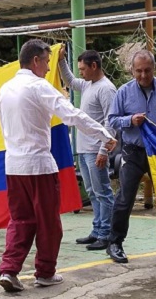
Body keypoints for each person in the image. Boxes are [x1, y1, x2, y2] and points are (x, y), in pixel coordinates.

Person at [0, 40, 117, 293]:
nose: (49, 68)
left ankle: (9, 269)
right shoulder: (39, 87)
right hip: (39, 165)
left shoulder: (4, 89)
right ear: (36, 61)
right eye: (48, 62)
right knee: (49, 222)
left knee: (20, 220)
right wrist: (104, 134)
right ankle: (45, 272)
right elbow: (72, 114)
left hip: (13, 166)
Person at [105, 49, 156, 264]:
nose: (143, 75)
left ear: (155, 69)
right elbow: (112, 120)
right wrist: (129, 120)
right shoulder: (123, 92)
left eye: (148, 71)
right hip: (133, 152)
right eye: (139, 71)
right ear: (132, 70)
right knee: (125, 198)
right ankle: (115, 244)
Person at [57, 46, 117, 250]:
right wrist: (61, 60)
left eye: (83, 69)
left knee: (102, 192)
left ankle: (106, 233)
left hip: (95, 149)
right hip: (84, 149)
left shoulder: (106, 88)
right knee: (92, 192)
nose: (81, 72)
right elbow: (71, 82)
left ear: (94, 66)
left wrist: (103, 150)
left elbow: (111, 122)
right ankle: (97, 229)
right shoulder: (88, 85)